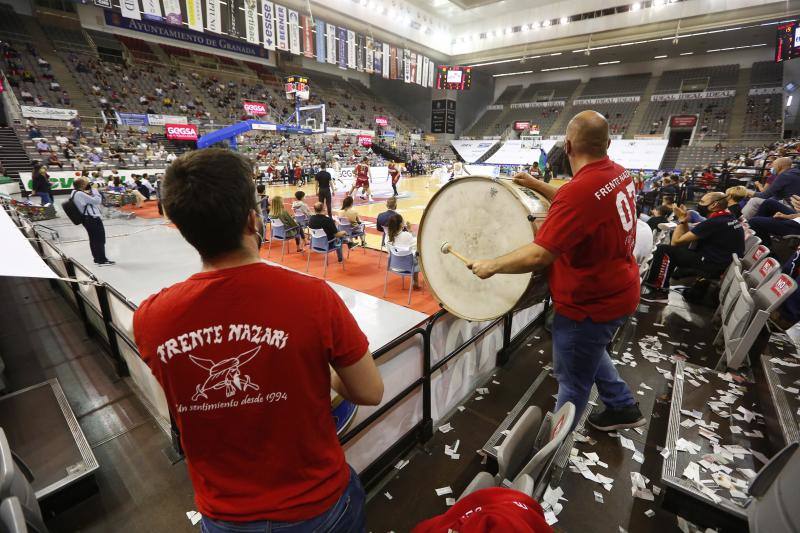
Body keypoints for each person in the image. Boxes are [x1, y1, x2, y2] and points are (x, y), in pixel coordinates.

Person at [132, 149, 383, 532]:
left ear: (182, 229)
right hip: (317, 503)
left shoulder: (150, 318)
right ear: (253, 220)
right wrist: (321, 372)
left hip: (224, 513)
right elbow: (369, 391)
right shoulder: (315, 298)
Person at [467, 110, 644, 432]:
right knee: (590, 350)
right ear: (607, 143)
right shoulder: (618, 173)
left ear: (568, 145)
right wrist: (536, 185)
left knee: (573, 381)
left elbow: (539, 255)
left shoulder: (582, 191)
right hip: (619, 288)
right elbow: (580, 201)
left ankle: (551, 452)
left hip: (589, 304)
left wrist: (492, 265)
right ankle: (622, 406)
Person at [645, 192, 744, 292]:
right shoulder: (729, 217)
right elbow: (684, 237)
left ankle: (658, 291)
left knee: (664, 250)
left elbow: (676, 242)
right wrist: (684, 220)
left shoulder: (715, 222)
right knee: (680, 247)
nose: (699, 204)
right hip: (722, 264)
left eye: (702, 201)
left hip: (713, 267)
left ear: (714, 204)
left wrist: (681, 219)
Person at [71, 177, 113, 265]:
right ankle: (102, 260)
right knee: (99, 240)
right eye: (87, 183)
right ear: (82, 185)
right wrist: (94, 189)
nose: (89, 184)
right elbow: (97, 200)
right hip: (92, 219)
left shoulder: (74, 192)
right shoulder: (80, 194)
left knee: (94, 240)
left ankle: (98, 259)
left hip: (88, 219)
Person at [386, 213, 420, 289]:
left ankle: (415, 281)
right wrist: (410, 230)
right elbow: (416, 243)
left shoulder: (388, 237)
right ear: (401, 224)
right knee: (417, 255)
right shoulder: (406, 235)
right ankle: (416, 281)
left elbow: (389, 252)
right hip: (407, 266)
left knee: (410, 254)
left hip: (394, 265)